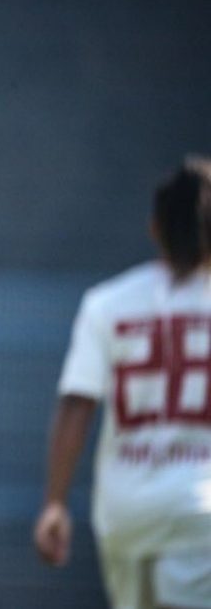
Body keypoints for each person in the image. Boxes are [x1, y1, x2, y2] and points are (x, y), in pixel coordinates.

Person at [34, 157, 211, 609]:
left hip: (126, 512)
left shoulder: (109, 303)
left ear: (155, 227)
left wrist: (55, 502)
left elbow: (78, 403)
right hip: (202, 513)